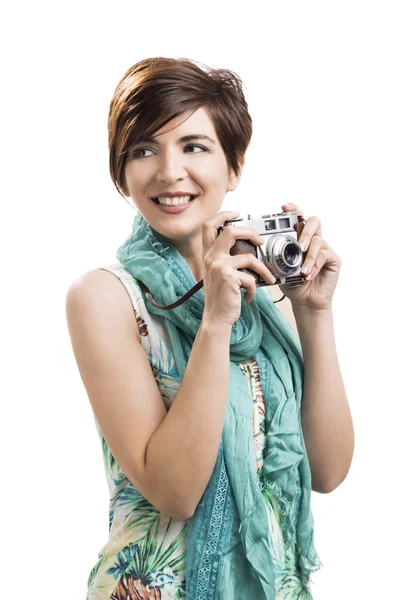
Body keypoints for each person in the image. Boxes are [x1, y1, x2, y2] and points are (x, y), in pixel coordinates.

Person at [66, 57, 354, 600]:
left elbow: (329, 470)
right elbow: (175, 491)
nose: (169, 171)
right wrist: (216, 322)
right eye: (144, 149)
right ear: (121, 172)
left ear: (235, 164)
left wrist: (314, 312)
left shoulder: (269, 291)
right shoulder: (104, 297)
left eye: (194, 146)